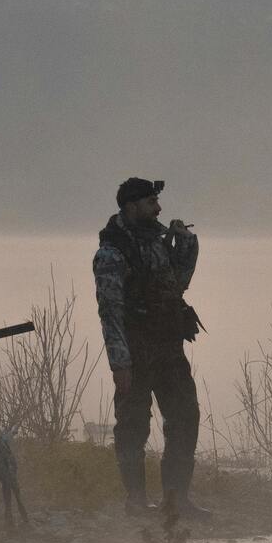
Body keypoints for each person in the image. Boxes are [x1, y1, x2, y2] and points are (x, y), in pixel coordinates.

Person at [93, 177, 209, 518]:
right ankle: (136, 502)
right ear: (131, 206)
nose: (159, 209)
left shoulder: (157, 242)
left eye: (157, 202)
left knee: (185, 418)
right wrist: (120, 364)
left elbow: (177, 285)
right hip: (135, 349)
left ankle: (177, 499)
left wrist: (187, 246)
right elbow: (110, 311)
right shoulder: (111, 253)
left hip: (169, 347)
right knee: (132, 426)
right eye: (151, 203)